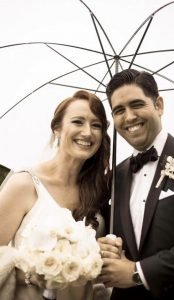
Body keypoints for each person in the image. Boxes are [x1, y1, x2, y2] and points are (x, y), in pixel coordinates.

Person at [0, 90, 111, 300]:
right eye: (78, 122)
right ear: (57, 128)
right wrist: (28, 269)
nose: (88, 132)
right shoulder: (25, 184)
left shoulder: (98, 194)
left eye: (96, 125)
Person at [98, 69, 174, 300]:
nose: (128, 117)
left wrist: (139, 273)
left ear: (158, 105)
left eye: (136, 104)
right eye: (119, 110)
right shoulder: (114, 178)